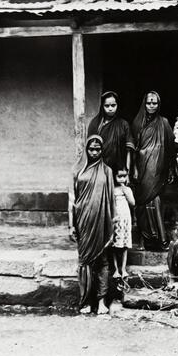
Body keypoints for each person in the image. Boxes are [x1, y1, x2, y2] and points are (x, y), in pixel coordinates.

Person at [68, 135, 115, 315]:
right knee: (84, 261)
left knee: (102, 261)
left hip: (102, 221)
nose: (95, 152)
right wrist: (71, 224)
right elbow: (72, 199)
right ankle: (86, 300)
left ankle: (102, 301)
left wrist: (114, 223)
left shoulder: (107, 171)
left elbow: (111, 200)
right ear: (86, 150)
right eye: (91, 149)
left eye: (98, 149)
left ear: (102, 150)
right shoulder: (77, 170)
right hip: (83, 221)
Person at [132, 91, 175, 251]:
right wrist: (134, 169)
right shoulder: (137, 123)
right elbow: (133, 149)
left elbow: (171, 148)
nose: (151, 106)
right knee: (142, 204)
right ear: (144, 103)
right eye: (149, 103)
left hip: (158, 169)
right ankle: (146, 239)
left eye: (154, 103)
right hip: (142, 168)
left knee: (155, 201)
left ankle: (161, 239)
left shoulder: (164, 123)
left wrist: (170, 169)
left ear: (158, 105)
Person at [88, 91, 135, 177]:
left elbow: (129, 151)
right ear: (102, 106)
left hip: (119, 171)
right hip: (100, 170)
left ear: (118, 105)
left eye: (113, 105)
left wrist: (127, 172)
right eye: (107, 106)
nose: (110, 108)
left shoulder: (124, 125)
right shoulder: (96, 124)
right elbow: (90, 150)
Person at [112, 168, 135, 281]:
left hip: (125, 217)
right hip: (116, 218)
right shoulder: (112, 189)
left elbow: (132, 203)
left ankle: (123, 268)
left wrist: (126, 191)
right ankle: (116, 269)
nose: (122, 179)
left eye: (124, 176)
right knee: (115, 244)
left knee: (125, 244)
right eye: (119, 176)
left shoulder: (127, 189)